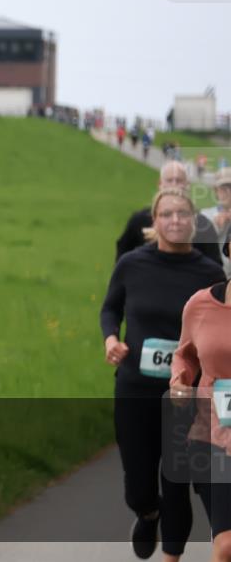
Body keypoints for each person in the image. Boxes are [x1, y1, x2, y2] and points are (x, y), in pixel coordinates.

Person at [101, 187, 226, 560]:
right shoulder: (132, 264)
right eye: (167, 214)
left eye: (183, 214)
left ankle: (171, 555)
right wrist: (110, 339)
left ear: (194, 222)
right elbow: (111, 308)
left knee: (175, 484)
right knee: (139, 484)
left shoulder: (209, 274)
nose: (175, 221)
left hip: (186, 396)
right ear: (154, 222)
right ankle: (146, 511)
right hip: (135, 388)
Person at [169, 235, 231, 562]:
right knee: (226, 545)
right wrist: (180, 382)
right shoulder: (200, 305)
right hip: (213, 435)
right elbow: (185, 355)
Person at [115, 161, 223, 265]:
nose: (174, 185)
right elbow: (122, 256)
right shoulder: (139, 220)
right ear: (160, 184)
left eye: (179, 180)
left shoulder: (204, 225)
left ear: (187, 184)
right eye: (169, 180)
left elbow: (214, 268)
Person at [200, 168, 231, 277]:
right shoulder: (205, 215)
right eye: (223, 188)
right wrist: (214, 227)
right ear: (216, 191)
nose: (228, 192)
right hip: (210, 278)